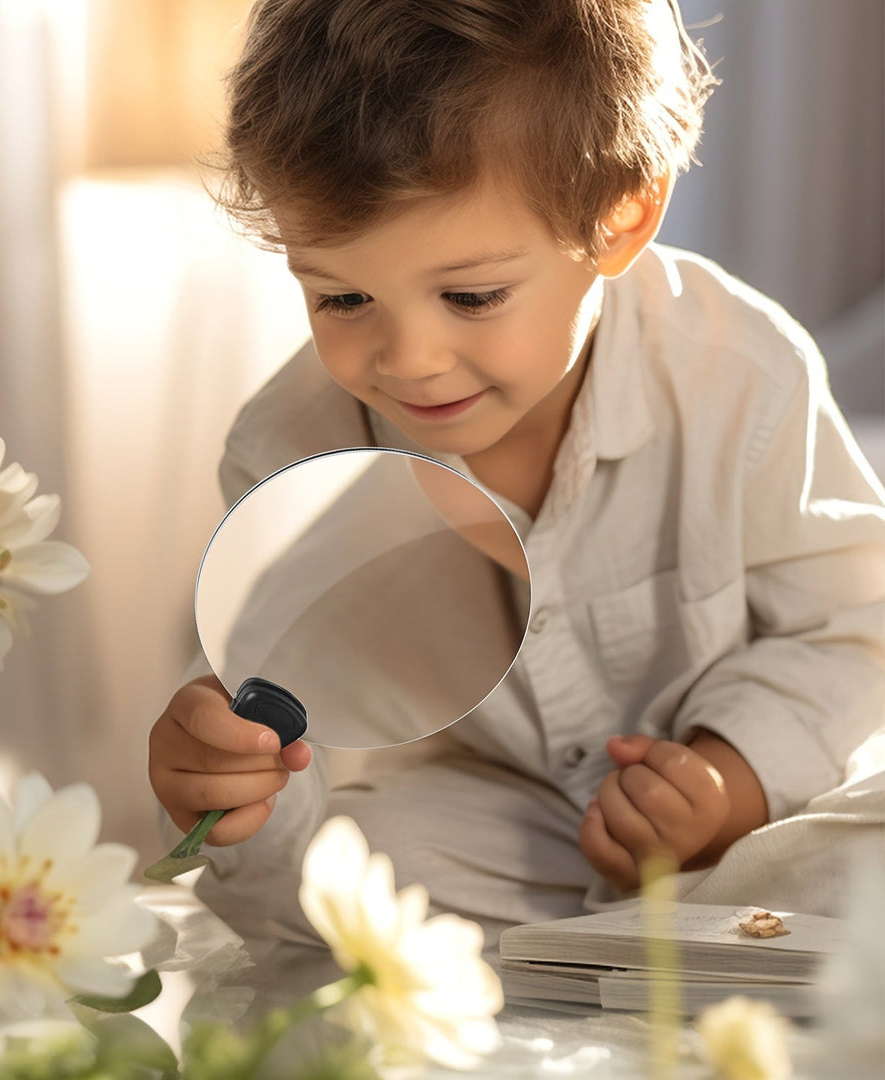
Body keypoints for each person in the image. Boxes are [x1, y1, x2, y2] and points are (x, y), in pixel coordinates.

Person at [148, 0, 885, 948]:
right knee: (347, 865)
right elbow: (280, 723)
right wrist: (225, 780)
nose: (407, 359)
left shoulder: (742, 373)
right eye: (341, 297)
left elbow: (854, 627)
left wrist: (727, 780)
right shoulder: (289, 454)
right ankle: (616, 951)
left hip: (749, 828)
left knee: (857, 846)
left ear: (622, 216)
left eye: (472, 296)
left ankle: (676, 927)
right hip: (503, 834)